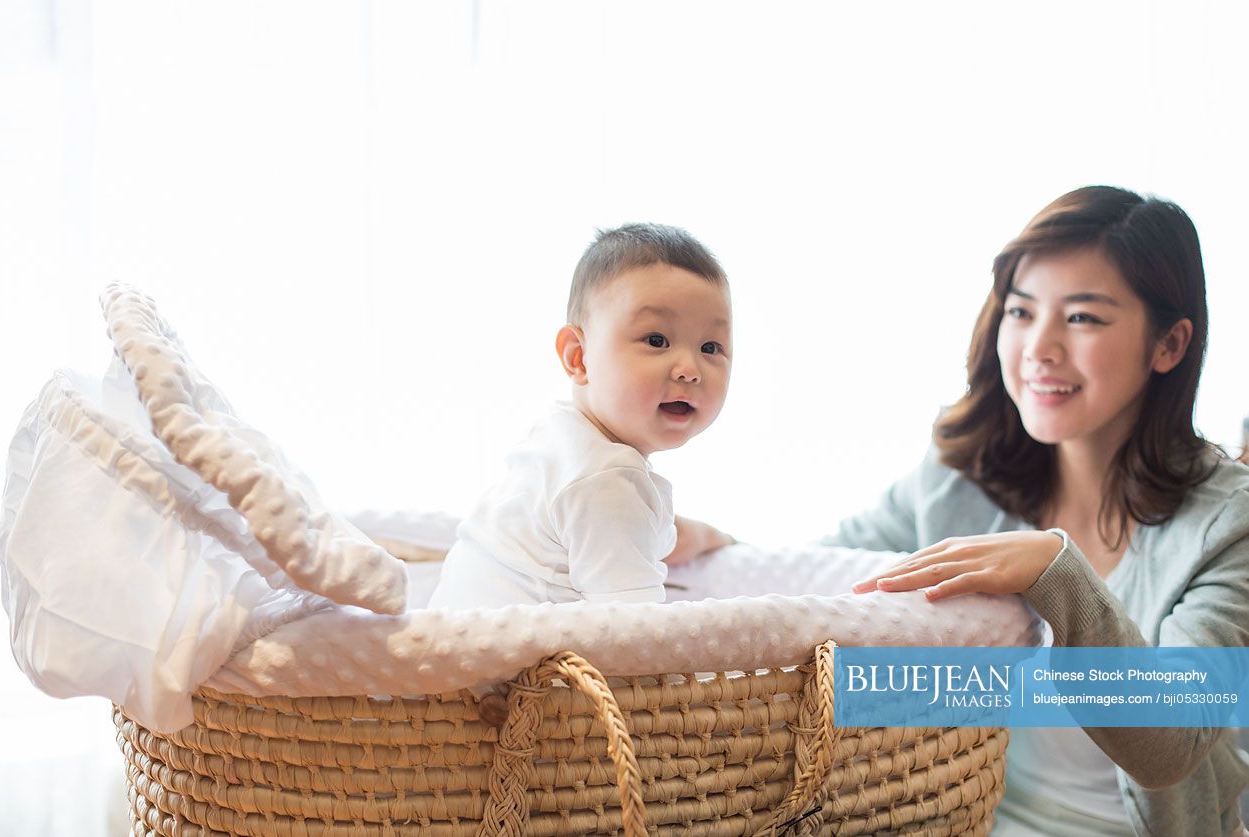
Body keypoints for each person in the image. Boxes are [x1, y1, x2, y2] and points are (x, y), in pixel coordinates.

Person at [674, 186, 1249, 835]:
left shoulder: (1228, 524)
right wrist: (721, 545)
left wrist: (1055, 573)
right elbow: (837, 576)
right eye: (1021, 312)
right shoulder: (961, 478)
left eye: (1082, 318)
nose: (1040, 347)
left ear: (1167, 345)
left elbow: (1168, 743)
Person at [428, 222, 732, 609]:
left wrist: (717, 538)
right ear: (578, 356)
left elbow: (657, 534)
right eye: (656, 340)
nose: (689, 368)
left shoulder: (562, 436)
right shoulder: (605, 480)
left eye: (710, 346)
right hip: (506, 669)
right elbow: (641, 638)